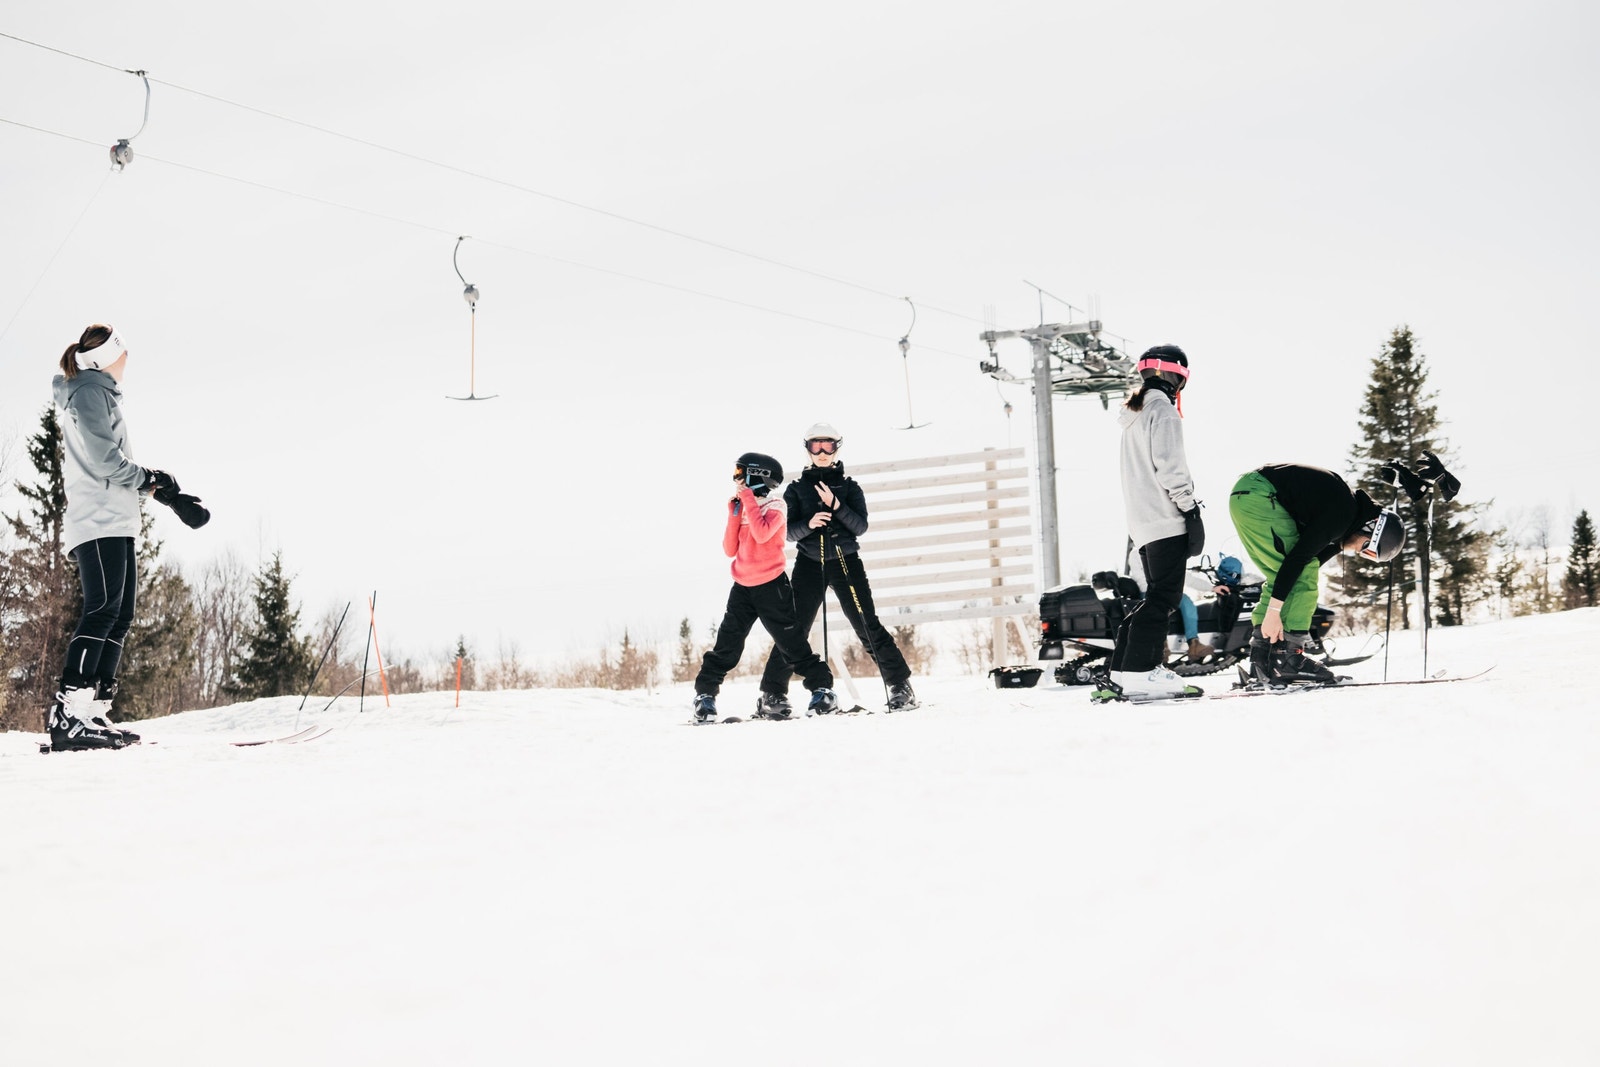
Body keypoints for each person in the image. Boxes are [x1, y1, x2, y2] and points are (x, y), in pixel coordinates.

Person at [48, 324, 205, 751]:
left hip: (115, 518)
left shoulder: (98, 392)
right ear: (105, 358)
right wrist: (148, 476)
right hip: (97, 519)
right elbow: (105, 461)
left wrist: (158, 488)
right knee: (102, 610)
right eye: (122, 350)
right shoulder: (89, 392)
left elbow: (114, 464)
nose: (127, 356)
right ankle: (68, 716)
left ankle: (93, 709)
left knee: (120, 616)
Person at [759, 422, 917, 713]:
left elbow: (860, 526)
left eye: (828, 445)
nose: (822, 452)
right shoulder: (794, 490)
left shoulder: (849, 486)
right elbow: (786, 533)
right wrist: (809, 524)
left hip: (846, 561)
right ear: (807, 450)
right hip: (809, 563)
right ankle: (772, 695)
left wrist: (836, 505)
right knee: (794, 631)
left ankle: (900, 686)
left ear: (837, 448)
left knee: (866, 624)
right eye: (815, 446)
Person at [692, 452, 838, 722]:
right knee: (726, 646)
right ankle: (705, 697)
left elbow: (761, 533)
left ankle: (823, 690)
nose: (736, 479)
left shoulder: (776, 505)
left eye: (740, 473)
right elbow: (729, 549)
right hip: (742, 587)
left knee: (791, 644)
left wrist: (747, 500)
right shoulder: (743, 504)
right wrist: (734, 513)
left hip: (772, 586)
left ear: (758, 476)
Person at [1227, 463, 1404, 685]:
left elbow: (1305, 562)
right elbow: (1301, 560)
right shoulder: (1342, 513)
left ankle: (1261, 658)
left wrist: (1339, 547)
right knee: (1300, 572)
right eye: (1367, 547)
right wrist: (1274, 612)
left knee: (1283, 574)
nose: (1361, 552)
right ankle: (1289, 658)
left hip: (1247, 495)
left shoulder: (1344, 508)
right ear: (1371, 528)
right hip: (1261, 496)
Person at [1098, 345, 1206, 701]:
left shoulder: (1135, 412)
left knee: (1153, 599)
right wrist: (1190, 511)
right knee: (1164, 599)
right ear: (1175, 376)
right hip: (1165, 519)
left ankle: (1120, 673)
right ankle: (1143, 673)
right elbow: (1171, 467)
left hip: (1141, 525)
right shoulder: (1162, 410)